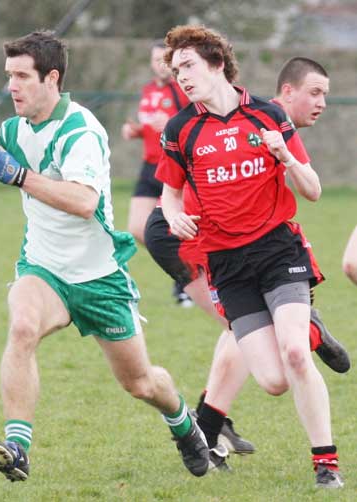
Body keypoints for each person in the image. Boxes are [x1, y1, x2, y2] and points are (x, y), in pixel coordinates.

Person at [0, 30, 211, 481]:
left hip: (100, 277)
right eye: (8, 75)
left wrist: (20, 176)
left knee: (140, 383)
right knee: (24, 326)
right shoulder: (11, 130)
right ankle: (18, 447)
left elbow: (84, 201)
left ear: (51, 78)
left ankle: (184, 423)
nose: (11, 86)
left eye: (22, 76)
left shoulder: (81, 129)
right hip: (43, 267)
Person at [156, 25, 343, 488]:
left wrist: (286, 157)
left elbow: (314, 190)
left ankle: (326, 465)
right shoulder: (181, 130)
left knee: (295, 354)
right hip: (228, 266)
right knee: (274, 381)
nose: (181, 77)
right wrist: (175, 216)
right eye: (176, 70)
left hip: (278, 250)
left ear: (217, 63)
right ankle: (311, 329)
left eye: (189, 66)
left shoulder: (267, 115)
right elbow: (168, 196)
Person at [121, 41, 192, 306]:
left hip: (172, 167)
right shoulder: (149, 89)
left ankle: (188, 280)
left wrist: (172, 123)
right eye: (154, 60)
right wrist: (136, 131)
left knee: (176, 228)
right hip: (148, 165)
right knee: (137, 229)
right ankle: (184, 270)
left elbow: (195, 121)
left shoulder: (182, 90)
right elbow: (152, 126)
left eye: (164, 60)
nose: (158, 65)